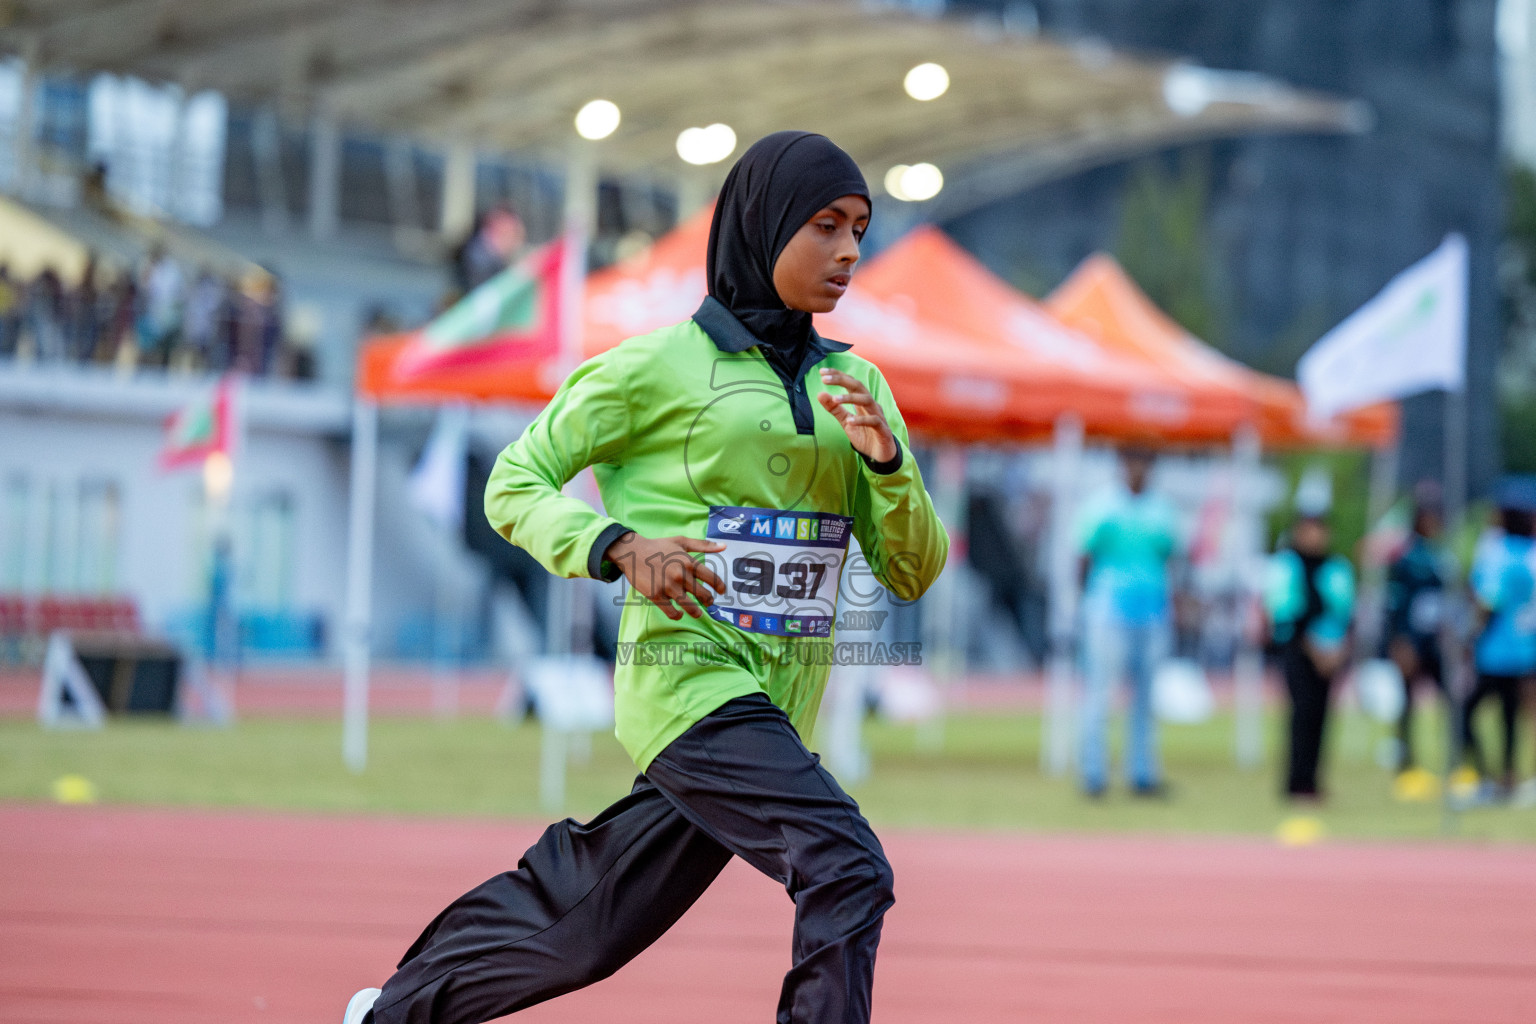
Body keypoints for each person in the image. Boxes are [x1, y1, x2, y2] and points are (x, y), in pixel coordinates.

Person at [343, 131, 949, 1024]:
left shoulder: (856, 385)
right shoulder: (652, 368)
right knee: (845, 862)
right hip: (689, 686)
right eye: (825, 226)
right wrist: (619, 544)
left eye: (860, 228)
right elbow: (515, 483)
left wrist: (891, 466)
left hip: (774, 706)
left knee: (590, 923)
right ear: (763, 224)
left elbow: (913, 569)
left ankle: (394, 1012)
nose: (850, 252)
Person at [1074, 445, 1182, 798]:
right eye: (1133, 460)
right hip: (1109, 610)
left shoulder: (1162, 509)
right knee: (1101, 693)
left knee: (1146, 698)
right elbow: (1084, 558)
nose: (1138, 468)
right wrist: (1085, 603)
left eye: (1145, 461)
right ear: (1122, 464)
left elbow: (1170, 558)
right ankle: (1094, 773)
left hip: (1152, 612)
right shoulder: (1103, 506)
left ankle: (1142, 773)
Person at [1264, 514, 1355, 801]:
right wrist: (1314, 649)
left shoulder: (1336, 567)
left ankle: (1313, 779)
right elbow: (1285, 610)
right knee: (1301, 714)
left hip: (1332, 652)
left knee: (1322, 716)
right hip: (1299, 650)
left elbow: (1346, 612)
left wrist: (1338, 650)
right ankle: (1297, 780)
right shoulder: (1287, 565)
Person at [1459, 497, 1536, 798]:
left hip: (1495, 651)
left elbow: (1489, 602)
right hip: (1523, 649)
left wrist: (1471, 637)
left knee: (1465, 712)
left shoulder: (1499, 556)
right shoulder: (1526, 557)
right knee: (1510, 717)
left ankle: (1485, 774)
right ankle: (1508, 775)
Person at [1381, 485, 1448, 775]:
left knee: (1451, 700)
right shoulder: (1406, 556)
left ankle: (1459, 757)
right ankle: (1405, 761)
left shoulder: (1440, 556)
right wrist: (1399, 642)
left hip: (1435, 640)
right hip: (1411, 639)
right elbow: (1394, 602)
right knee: (1407, 702)